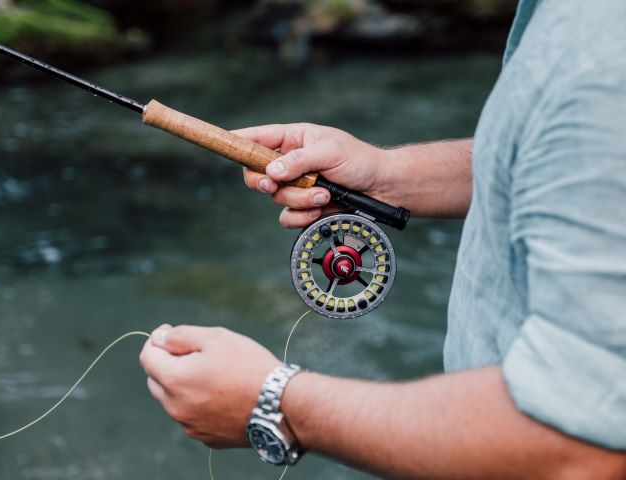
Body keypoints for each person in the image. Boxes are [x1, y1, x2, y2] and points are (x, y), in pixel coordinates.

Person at [139, 0, 626, 477]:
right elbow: (555, 159)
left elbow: (577, 446)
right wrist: (386, 175)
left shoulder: (601, 51)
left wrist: (274, 404)